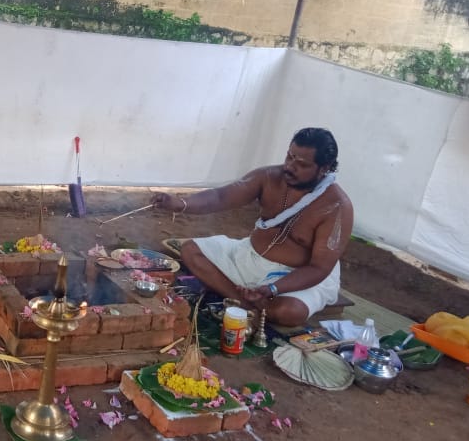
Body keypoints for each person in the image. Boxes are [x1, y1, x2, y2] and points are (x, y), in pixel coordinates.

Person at [151, 127, 354, 328]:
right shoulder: (268, 177)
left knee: (289, 312)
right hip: (249, 257)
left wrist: (273, 288)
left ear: (324, 168)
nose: (290, 166)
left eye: (302, 164)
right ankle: (246, 304)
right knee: (190, 250)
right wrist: (181, 204)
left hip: (295, 276)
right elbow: (221, 197)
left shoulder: (336, 207)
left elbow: (319, 268)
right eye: (289, 157)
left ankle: (251, 300)